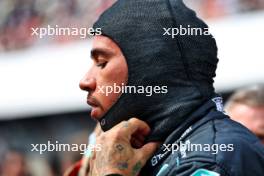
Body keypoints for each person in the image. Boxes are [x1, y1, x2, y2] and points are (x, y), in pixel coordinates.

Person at [66, 0, 264, 175]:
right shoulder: (140, 155)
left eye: (101, 63)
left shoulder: (213, 158)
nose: (85, 81)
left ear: (149, 67)